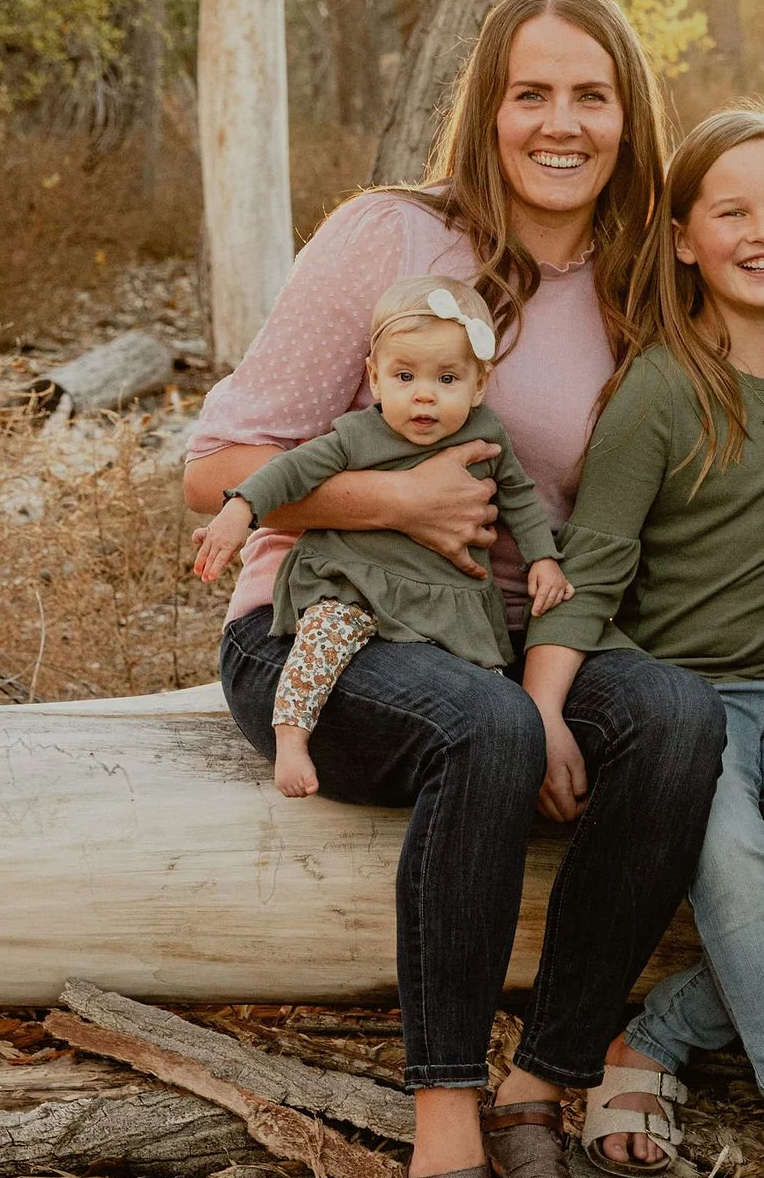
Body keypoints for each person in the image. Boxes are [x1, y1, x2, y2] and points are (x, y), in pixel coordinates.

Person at [186, 0, 729, 1178]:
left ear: (629, 115)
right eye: (531, 92)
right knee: (488, 727)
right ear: (489, 106)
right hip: (325, 635)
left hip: (501, 643)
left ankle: (536, 1097)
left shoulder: (644, 270)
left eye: (591, 95)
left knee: (671, 715)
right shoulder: (393, 235)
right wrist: (396, 501)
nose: (562, 121)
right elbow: (212, 464)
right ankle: (440, 1167)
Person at [524, 111, 764, 1178]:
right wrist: (543, 708)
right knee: (731, 864)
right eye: (731, 210)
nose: (762, 230)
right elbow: (592, 568)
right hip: (684, 694)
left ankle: (660, 1037)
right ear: (684, 237)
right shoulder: (659, 391)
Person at [192, 277, 574, 798]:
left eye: (446, 378)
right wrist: (241, 508)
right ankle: (292, 736)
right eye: (404, 375)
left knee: (493, 695)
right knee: (322, 641)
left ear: (478, 385)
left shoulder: (487, 436)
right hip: (357, 581)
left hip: (445, 600)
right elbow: (290, 472)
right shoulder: (357, 435)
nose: (423, 394)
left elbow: (521, 500)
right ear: (374, 376)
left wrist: (543, 560)